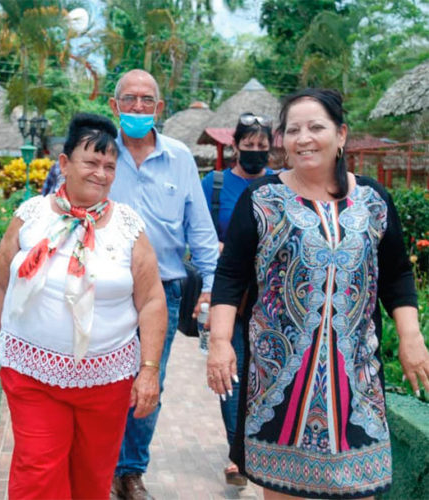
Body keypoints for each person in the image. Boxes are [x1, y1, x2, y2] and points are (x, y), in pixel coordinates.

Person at [207, 88, 429, 500]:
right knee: (284, 489)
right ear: (283, 140)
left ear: (341, 134)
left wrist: (411, 336)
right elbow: (230, 276)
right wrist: (220, 342)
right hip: (278, 381)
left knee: (359, 489)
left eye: (316, 127)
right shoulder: (262, 200)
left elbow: (397, 274)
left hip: (356, 380)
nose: (304, 138)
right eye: (293, 130)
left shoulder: (374, 201)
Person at [0, 113, 167, 500]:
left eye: (109, 166)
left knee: (92, 478)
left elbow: (151, 300)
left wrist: (149, 370)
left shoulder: (128, 226)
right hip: (32, 373)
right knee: (38, 473)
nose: (101, 173)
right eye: (91, 162)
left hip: (107, 379)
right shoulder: (31, 215)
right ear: (64, 164)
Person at [108, 69, 219, 499]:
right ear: (115, 106)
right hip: (105, 289)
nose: (138, 107)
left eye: (146, 100)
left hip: (164, 289)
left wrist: (210, 285)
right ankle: (100, 465)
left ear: (159, 107)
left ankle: (130, 473)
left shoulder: (179, 157)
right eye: (129, 99)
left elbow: (200, 227)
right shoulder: (100, 151)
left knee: (149, 379)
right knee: (101, 379)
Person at [201, 112, 275, 487]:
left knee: (264, 375)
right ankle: (238, 455)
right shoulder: (215, 185)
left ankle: (259, 445)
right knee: (231, 371)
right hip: (229, 295)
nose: (255, 151)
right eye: (249, 145)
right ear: (235, 146)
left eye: (262, 146)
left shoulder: (279, 185)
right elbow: (198, 233)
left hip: (271, 300)